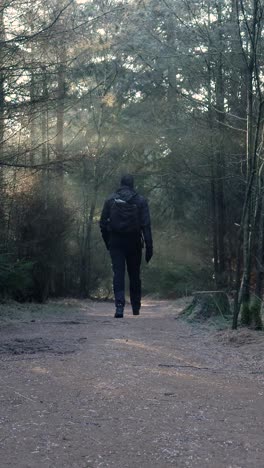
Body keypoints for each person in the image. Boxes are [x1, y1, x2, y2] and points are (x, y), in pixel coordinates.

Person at [100, 174, 153, 318]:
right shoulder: (140, 200)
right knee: (134, 274)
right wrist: (149, 248)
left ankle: (119, 307)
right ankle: (136, 307)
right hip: (134, 241)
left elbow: (103, 224)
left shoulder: (110, 199)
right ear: (132, 184)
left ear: (121, 183)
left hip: (115, 242)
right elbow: (146, 226)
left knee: (118, 273)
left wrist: (108, 242)